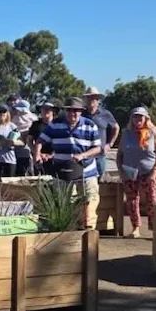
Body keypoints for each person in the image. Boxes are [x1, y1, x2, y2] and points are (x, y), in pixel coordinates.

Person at [35, 97, 102, 229]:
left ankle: (88, 228)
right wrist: (37, 154)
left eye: (76, 111)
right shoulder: (55, 125)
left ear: (81, 112)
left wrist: (83, 155)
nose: (73, 113)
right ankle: (68, 228)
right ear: (65, 111)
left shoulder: (90, 125)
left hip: (86, 170)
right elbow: (40, 141)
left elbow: (97, 148)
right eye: (70, 110)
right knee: (63, 201)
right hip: (62, 171)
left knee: (90, 198)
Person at [117, 107, 156, 238]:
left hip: (149, 172)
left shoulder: (152, 133)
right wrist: (121, 171)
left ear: (146, 119)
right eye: (135, 116)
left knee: (152, 201)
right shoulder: (126, 133)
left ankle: (155, 229)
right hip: (130, 172)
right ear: (131, 119)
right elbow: (120, 154)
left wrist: (155, 170)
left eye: (140, 117)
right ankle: (135, 228)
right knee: (132, 201)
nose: (137, 119)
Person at [83, 86, 119, 180]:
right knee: (84, 181)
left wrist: (110, 144)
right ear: (85, 99)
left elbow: (116, 127)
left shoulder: (105, 114)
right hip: (84, 155)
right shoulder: (81, 114)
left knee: (101, 180)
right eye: (89, 97)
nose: (91, 100)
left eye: (94, 97)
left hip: (100, 154)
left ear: (98, 100)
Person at [0, 104, 22, 181]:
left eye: (4, 111)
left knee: (9, 185)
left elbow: (21, 142)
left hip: (9, 159)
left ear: (7, 113)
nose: (2, 114)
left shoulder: (12, 127)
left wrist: (13, 142)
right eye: (0, 111)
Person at [27, 102, 59, 176]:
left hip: (55, 157)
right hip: (38, 158)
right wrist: (38, 153)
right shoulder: (35, 124)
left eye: (48, 109)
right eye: (43, 109)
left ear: (53, 111)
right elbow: (29, 140)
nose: (45, 111)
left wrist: (51, 155)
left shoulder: (57, 124)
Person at [9, 99, 37, 176]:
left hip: (27, 148)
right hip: (15, 147)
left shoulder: (33, 118)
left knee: (27, 169)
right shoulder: (14, 118)